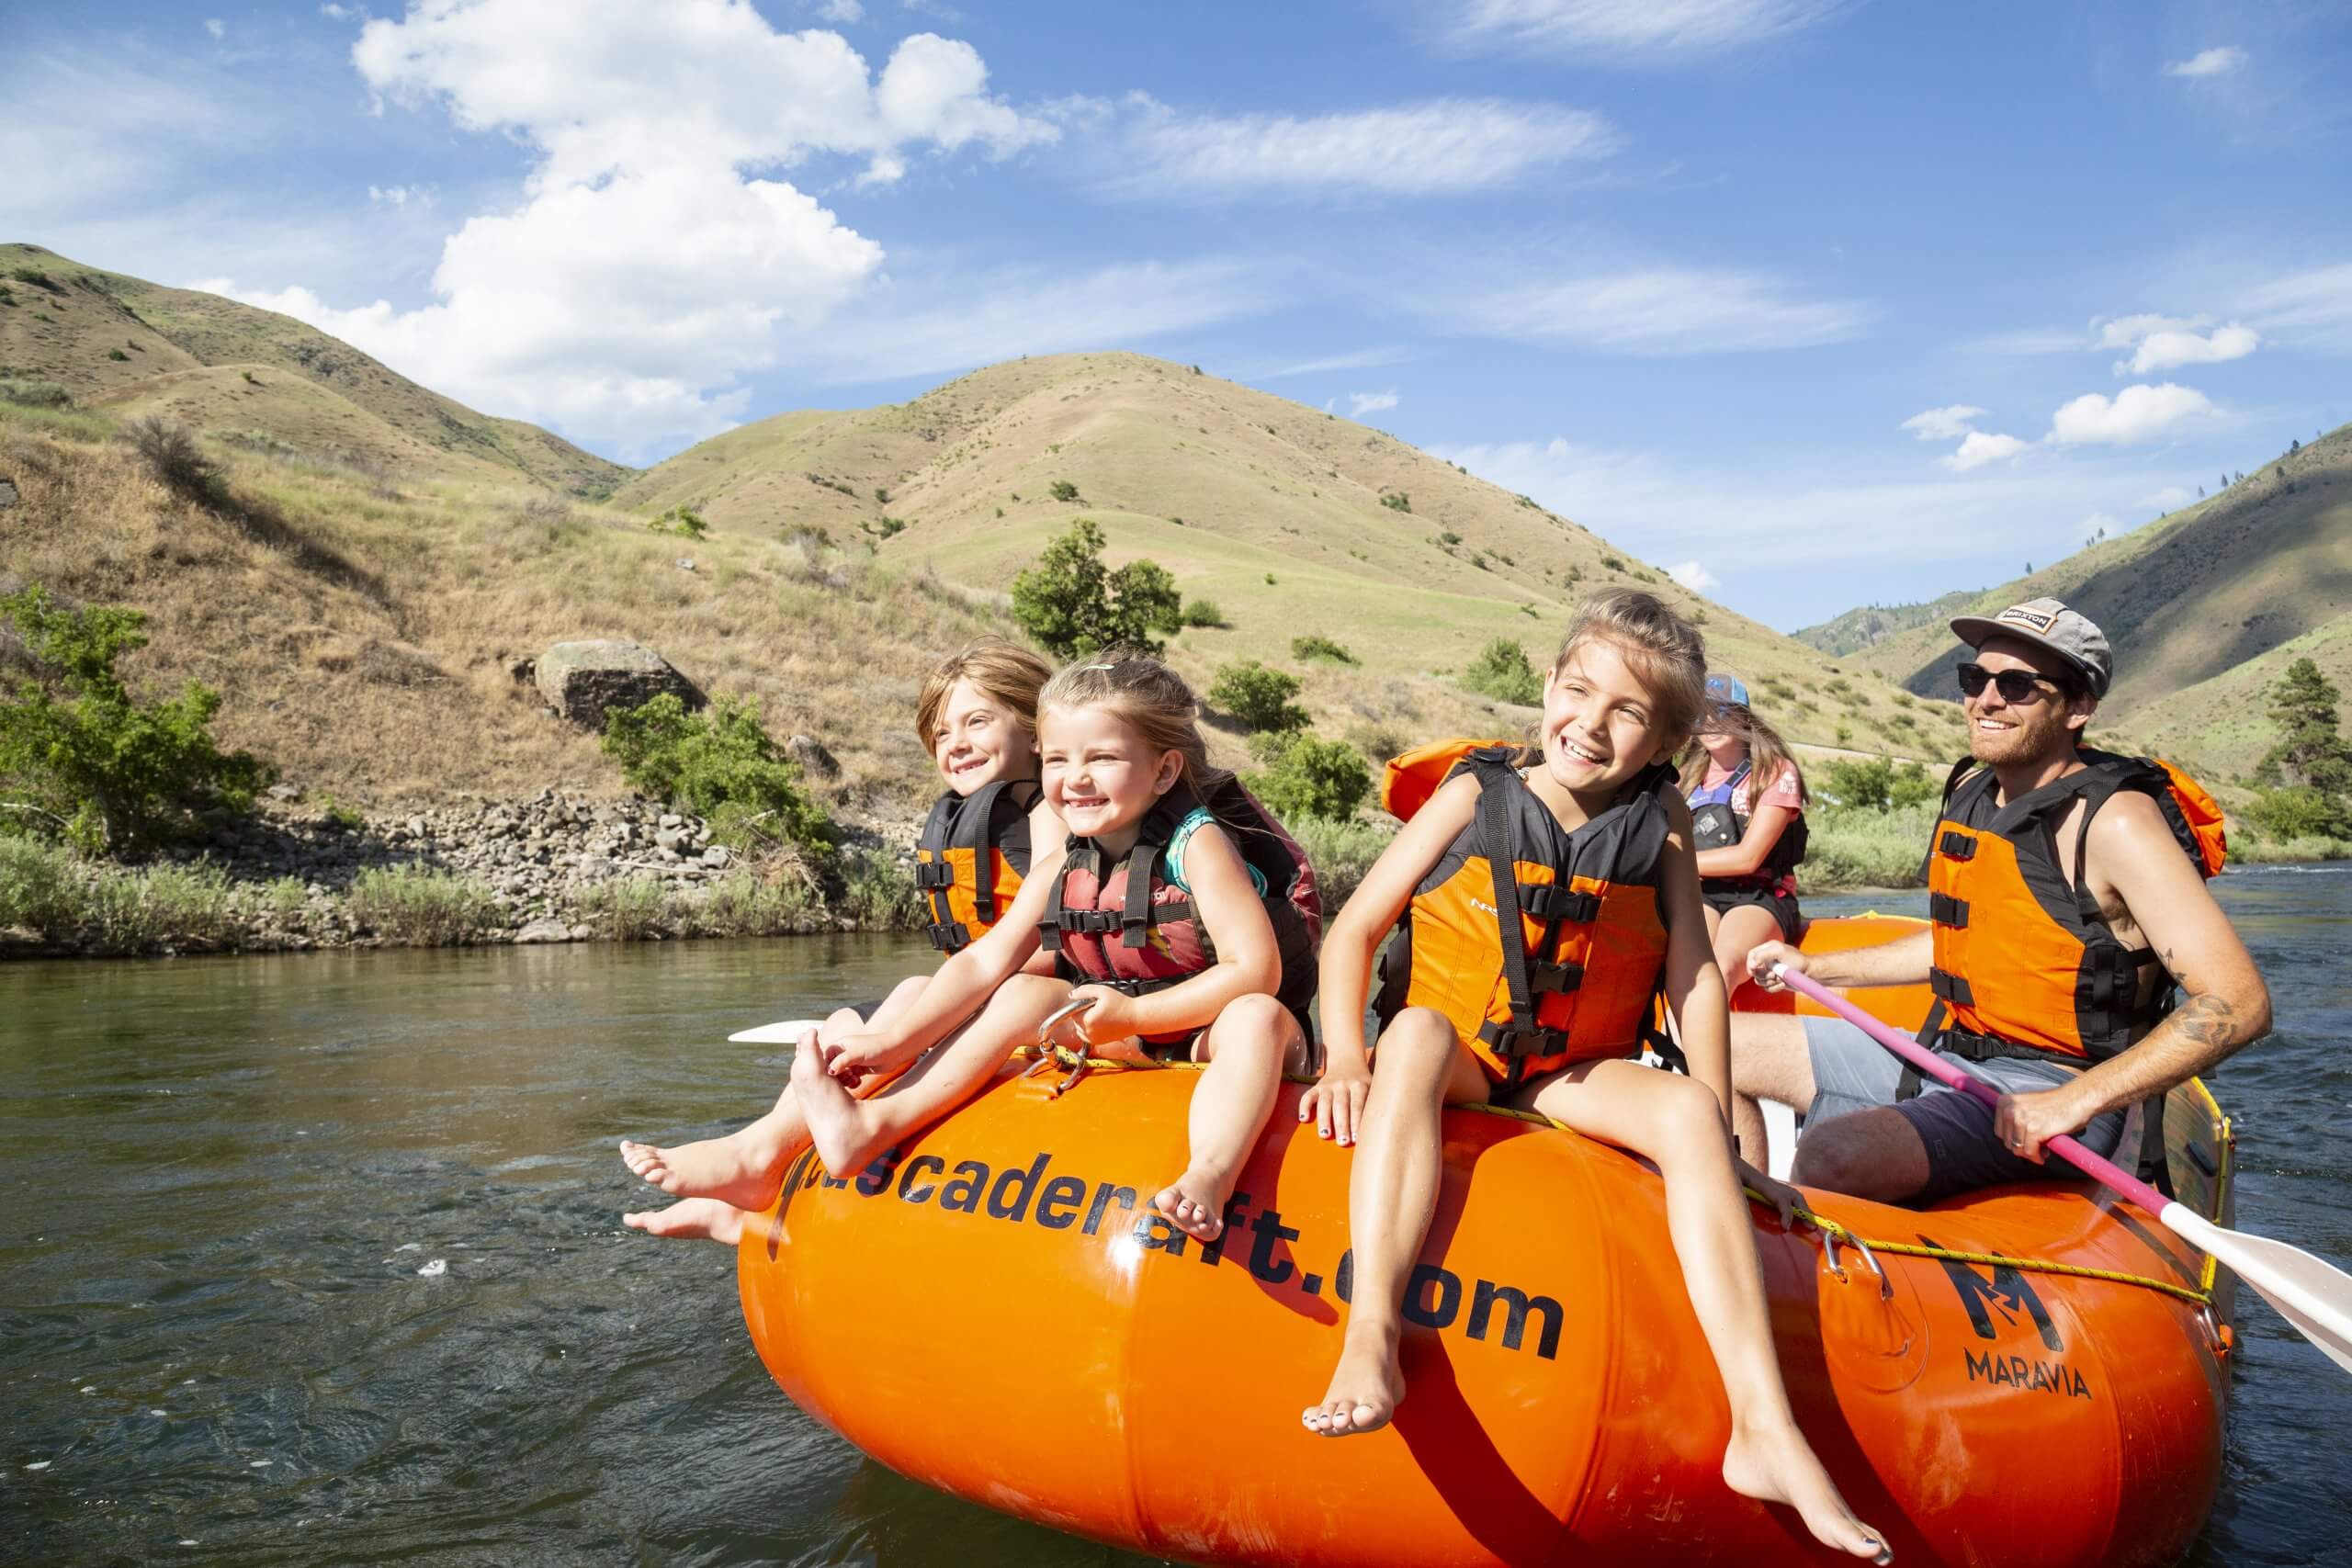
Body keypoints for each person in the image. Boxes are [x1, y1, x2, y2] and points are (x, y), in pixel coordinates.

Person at [1297, 591, 1887, 1563]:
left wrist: (1731, 1129)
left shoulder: (1659, 828)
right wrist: (1344, 1057)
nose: (1591, 724)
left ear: (1663, 742)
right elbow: (1354, 930)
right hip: (1461, 1057)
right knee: (1410, 1034)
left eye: (1627, 714)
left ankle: (1763, 1427)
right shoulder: (1471, 793)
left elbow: (1694, 970)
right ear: (1547, 689)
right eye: (1579, 693)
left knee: (1692, 1111)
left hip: (1568, 1071)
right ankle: (1370, 1334)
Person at [1733, 599, 2267, 1205]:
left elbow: (2240, 1001)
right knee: (1714, 1044)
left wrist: (2074, 1101)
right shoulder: (1972, 788)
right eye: (1974, 678)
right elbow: (1963, 942)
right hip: (1947, 1055)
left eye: (2016, 685)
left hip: (2056, 1087)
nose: (1986, 699)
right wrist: (1818, 967)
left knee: (1832, 1154)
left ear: (2079, 706)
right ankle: (1748, 1219)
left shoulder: (2117, 824)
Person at [793, 654, 1322, 1244]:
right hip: (1129, 1034)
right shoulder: (1065, 863)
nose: (1076, 778)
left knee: (1256, 1017)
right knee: (1022, 991)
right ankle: (870, 1126)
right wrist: (895, 1040)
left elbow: (1255, 972)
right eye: (1059, 759)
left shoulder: (1198, 846)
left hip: (1218, 1034)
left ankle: (1209, 1176)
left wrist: (1137, 1014)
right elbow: (982, 960)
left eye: (1103, 758)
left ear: (1165, 770)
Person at [617, 639, 1058, 1244]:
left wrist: (900, 1037)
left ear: (1036, 731)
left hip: (1045, 996)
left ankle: (788, 1153)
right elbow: (977, 960)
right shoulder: (976, 812)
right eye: (940, 730)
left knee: (915, 1003)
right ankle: (760, 1171)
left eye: (977, 720)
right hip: (989, 986)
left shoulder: (1053, 810)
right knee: (870, 1008)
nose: (954, 741)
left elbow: (1005, 951)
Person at [1680, 671, 1809, 1001]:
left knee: (1721, 965)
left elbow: (1748, 857)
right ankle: (1674, 1048)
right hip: (1704, 893)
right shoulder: (1685, 778)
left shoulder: (1775, 772)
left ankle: (1706, 1051)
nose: (1709, 722)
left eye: (1720, 712)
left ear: (1743, 716)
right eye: (1700, 714)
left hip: (1760, 895)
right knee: (1690, 967)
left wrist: (1675, 863)